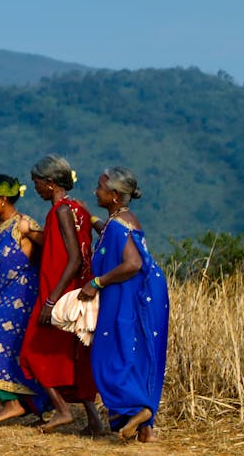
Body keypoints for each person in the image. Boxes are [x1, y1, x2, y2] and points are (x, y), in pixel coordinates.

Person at [78, 168, 169, 442]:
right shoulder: (122, 220)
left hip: (128, 293)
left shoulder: (118, 225)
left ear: (115, 195)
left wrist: (97, 282)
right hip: (145, 292)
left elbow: (132, 263)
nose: (96, 192)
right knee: (138, 354)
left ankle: (136, 407)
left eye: (100, 187)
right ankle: (145, 428)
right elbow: (110, 238)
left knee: (110, 355)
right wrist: (90, 218)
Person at [19, 154, 104, 434]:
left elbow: (73, 259)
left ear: (51, 183)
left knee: (32, 351)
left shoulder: (61, 211)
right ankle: (94, 421)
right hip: (74, 293)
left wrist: (51, 300)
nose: (35, 188)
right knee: (74, 357)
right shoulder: (76, 208)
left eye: (38, 183)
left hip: (60, 294)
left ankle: (63, 410)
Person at [0, 166, 47, 423]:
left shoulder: (23, 225)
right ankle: (32, 406)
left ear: (3, 200)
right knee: (14, 350)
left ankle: (13, 403)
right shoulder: (3, 227)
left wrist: (32, 232)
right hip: (7, 295)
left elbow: (52, 244)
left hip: (24, 296)